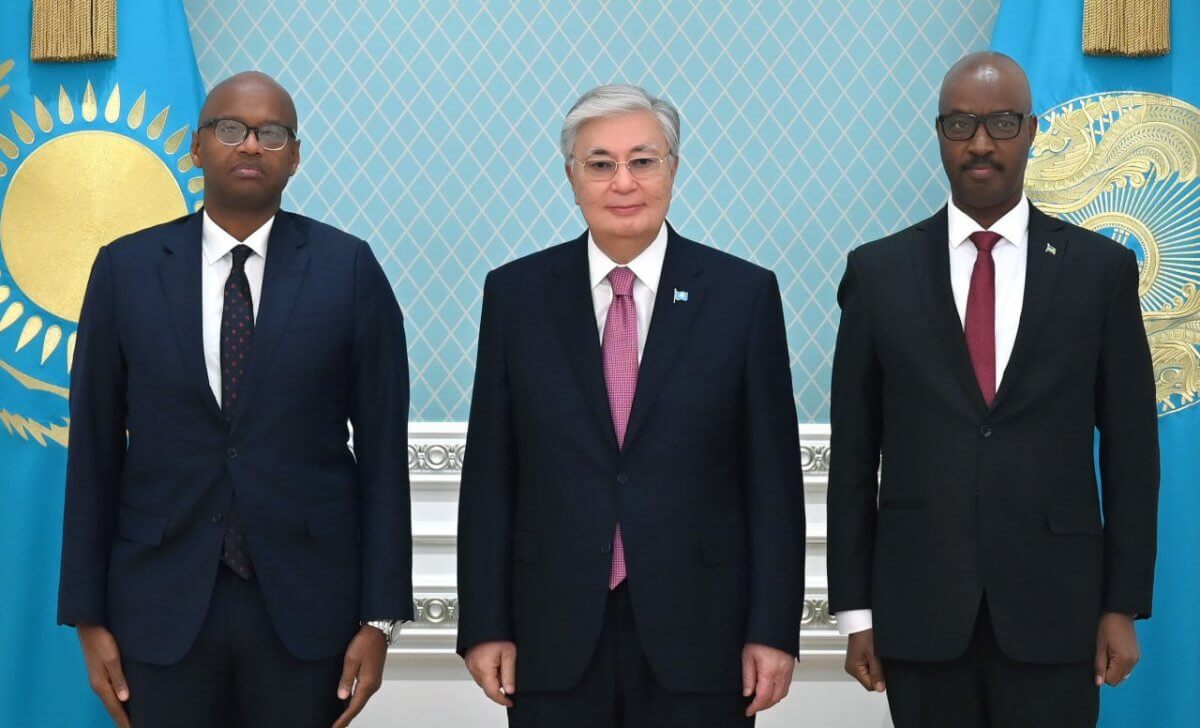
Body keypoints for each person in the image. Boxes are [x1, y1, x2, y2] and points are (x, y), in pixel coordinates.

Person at [57, 71, 412, 728]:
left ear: (294, 156)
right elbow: (94, 451)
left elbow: (385, 455)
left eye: (271, 133)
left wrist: (380, 620)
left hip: (309, 610)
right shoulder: (125, 270)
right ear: (197, 146)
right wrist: (87, 617)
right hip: (157, 606)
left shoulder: (349, 269)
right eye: (230, 129)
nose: (250, 145)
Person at [455, 83, 806, 727]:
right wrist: (484, 624)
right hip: (550, 631)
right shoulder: (516, 295)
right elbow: (489, 475)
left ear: (673, 169)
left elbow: (773, 481)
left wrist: (773, 628)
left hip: (705, 631)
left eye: (643, 161)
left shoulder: (742, 295)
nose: (623, 182)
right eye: (600, 163)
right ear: (571, 176)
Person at [827, 52, 1160, 727]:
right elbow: (854, 456)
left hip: (1057, 611)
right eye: (960, 124)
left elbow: (1131, 450)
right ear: (939, 133)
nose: (980, 143)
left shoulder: (1099, 271)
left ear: (1032, 131)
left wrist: (1121, 604)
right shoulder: (879, 272)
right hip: (920, 613)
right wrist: (856, 612)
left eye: (1002, 123)